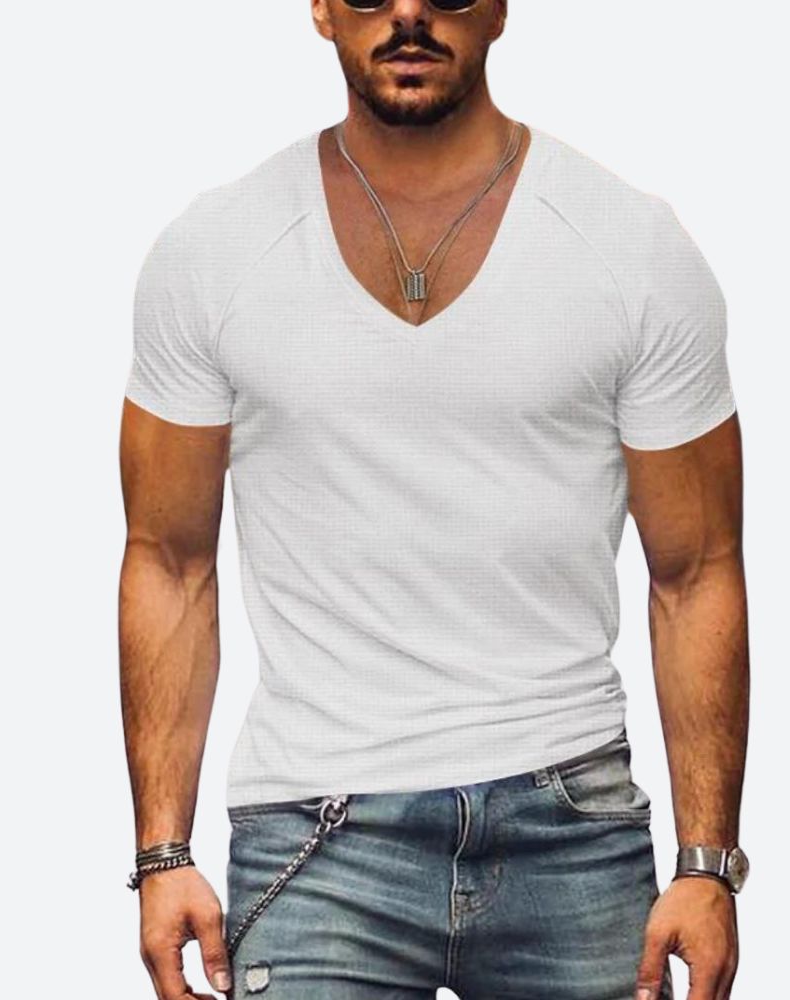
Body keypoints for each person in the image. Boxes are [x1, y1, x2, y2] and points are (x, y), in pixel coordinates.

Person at [118, 2, 749, 998]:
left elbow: (697, 568)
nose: (408, 12)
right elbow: (168, 558)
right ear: (322, 9)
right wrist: (162, 853)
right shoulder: (217, 249)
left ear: (498, 8)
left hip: (570, 820)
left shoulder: (629, 246)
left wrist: (707, 865)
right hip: (317, 830)